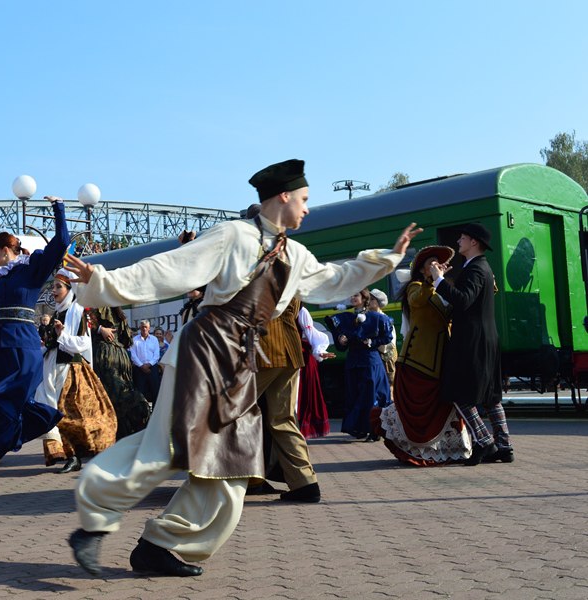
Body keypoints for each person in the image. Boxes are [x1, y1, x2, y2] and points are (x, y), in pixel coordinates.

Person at [64, 158, 421, 577]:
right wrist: (102, 280)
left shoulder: (295, 255)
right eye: (304, 199)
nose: (308, 208)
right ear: (283, 196)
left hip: (239, 360)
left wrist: (387, 259)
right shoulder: (232, 235)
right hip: (206, 349)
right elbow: (169, 268)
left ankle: (159, 545)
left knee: (233, 463)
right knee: (168, 447)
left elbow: (333, 279)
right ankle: (95, 520)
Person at [0, 195, 69, 501]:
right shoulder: (0, 280)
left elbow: (62, 242)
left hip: (22, 346)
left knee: (9, 406)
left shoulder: (32, 270)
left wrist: (58, 208)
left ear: (7, 250)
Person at [374, 246, 472, 465]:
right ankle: (416, 451)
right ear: (421, 270)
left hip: (442, 359)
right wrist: (432, 281)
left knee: (443, 407)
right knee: (420, 409)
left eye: (438, 262)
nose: (436, 265)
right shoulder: (416, 287)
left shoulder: (441, 288)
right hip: (418, 359)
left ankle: (446, 450)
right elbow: (417, 300)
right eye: (431, 263)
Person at [431, 223, 512, 465]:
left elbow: (463, 300)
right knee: (490, 395)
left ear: (474, 242)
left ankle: (485, 442)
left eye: (463, 238)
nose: (458, 241)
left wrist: (438, 280)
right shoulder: (480, 267)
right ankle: (504, 446)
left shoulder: (475, 269)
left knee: (459, 392)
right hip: (484, 338)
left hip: (472, 340)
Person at [36, 268, 118, 473]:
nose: (54, 291)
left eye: (58, 287)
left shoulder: (77, 311)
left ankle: (80, 455)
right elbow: (51, 343)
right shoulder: (57, 313)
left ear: (69, 289)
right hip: (52, 368)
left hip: (71, 370)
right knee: (52, 411)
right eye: (53, 286)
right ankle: (69, 455)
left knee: (75, 415)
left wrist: (62, 335)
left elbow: (82, 343)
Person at [248, 296, 327, 503]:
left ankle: (238, 479)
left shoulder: (259, 277)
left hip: (265, 350)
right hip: (290, 349)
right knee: (282, 419)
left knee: (232, 412)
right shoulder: (292, 278)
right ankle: (305, 482)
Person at [336, 289, 394, 441]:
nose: (353, 297)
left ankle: (374, 430)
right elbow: (341, 340)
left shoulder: (376, 317)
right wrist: (341, 339)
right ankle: (360, 428)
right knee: (355, 395)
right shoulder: (347, 317)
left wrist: (372, 342)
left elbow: (387, 337)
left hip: (370, 362)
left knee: (371, 396)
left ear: (364, 298)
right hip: (353, 361)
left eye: (356, 295)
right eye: (352, 295)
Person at [89, 306, 151, 440]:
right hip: (109, 355)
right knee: (114, 395)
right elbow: (84, 322)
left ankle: (128, 431)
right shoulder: (100, 307)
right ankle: (121, 433)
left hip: (115, 356)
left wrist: (100, 329)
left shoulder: (114, 311)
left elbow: (126, 339)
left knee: (119, 394)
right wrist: (100, 329)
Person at [296, 304, 333, 439]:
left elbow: (312, 335)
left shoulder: (301, 311)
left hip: (302, 359)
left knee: (302, 394)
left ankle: (299, 430)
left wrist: (319, 351)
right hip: (289, 356)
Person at [130, 320, 161, 405]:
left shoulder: (154, 339)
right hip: (139, 369)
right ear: (140, 328)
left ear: (149, 328)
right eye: (142, 327)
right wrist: (141, 366)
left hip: (152, 368)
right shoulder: (134, 340)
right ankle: (141, 411)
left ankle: (155, 411)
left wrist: (149, 364)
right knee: (140, 392)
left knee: (155, 391)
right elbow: (133, 355)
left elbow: (156, 355)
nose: (144, 329)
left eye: (146, 327)